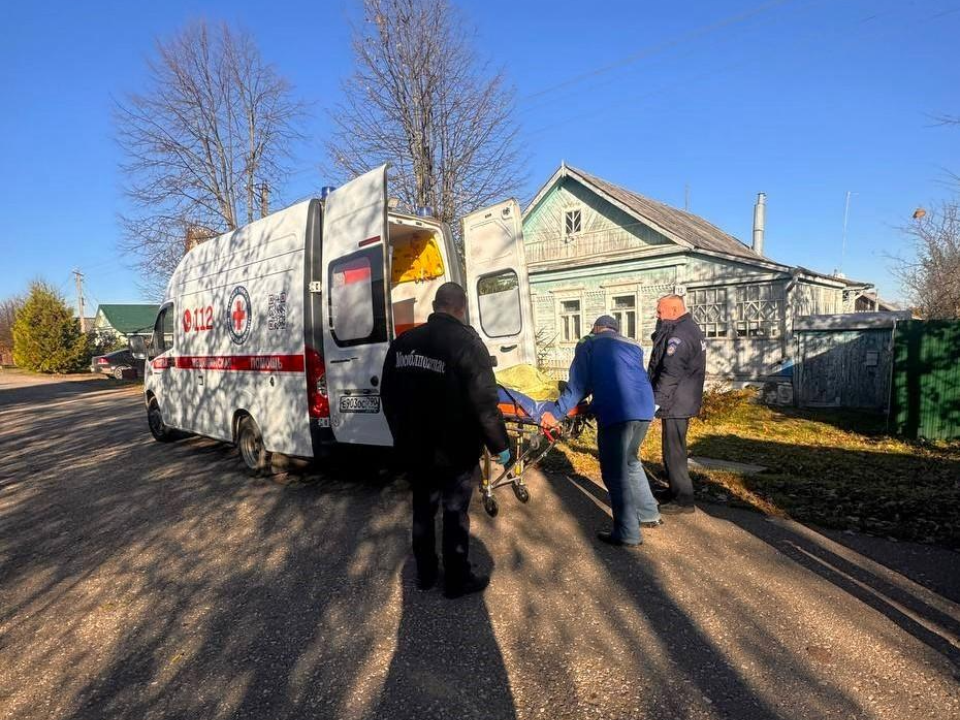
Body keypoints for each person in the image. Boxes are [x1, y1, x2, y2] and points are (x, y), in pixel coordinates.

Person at [381, 282, 512, 598]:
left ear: (436, 305)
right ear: (460, 307)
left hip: (415, 447)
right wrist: (502, 449)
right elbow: (485, 405)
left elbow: (387, 395)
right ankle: (456, 579)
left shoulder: (403, 344)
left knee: (423, 510)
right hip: (455, 449)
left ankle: (425, 574)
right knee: (455, 513)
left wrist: (400, 435)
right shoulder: (467, 343)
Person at [542, 315, 661, 548]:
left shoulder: (590, 342)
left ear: (596, 328)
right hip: (645, 408)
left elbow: (578, 385)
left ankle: (628, 533)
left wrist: (555, 414)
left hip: (618, 412)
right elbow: (620, 379)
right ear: (615, 330)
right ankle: (648, 513)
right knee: (631, 461)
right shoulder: (631, 345)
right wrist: (593, 405)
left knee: (614, 473)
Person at [647, 295, 707, 514]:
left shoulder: (680, 335)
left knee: (674, 452)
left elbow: (670, 373)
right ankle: (674, 490)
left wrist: (655, 402)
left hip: (676, 401)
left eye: (660, 311)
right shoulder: (689, 328)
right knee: (673, 449)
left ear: (673, 310)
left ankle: (683, 500)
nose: (658, 315)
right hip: (681, 399)